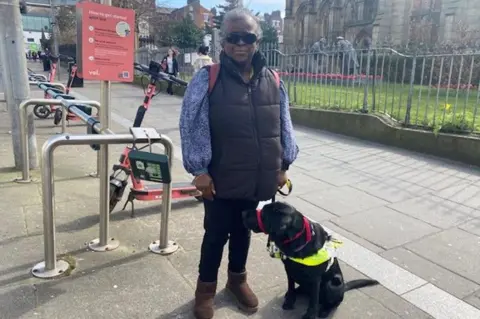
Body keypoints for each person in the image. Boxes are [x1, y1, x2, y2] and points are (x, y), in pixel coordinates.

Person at [179, 8, 299, 319]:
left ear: (258, 41)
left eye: (247, 37)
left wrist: (283, 164)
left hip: (257, 176)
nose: (240, 44)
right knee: (216, 233)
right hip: (219, 177)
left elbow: (283, 124)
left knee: (244, 230)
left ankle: (237, 280)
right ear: (224, 40)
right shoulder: (208, 78)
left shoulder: (273, 79)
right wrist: (200, 170)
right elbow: (191, 125)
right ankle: (205, 291)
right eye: (233, 38)